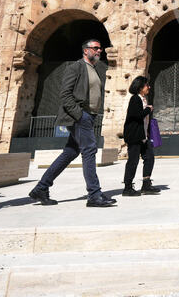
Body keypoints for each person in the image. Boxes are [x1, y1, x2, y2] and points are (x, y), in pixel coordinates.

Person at [28, 39, 116, 208]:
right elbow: (65, 94)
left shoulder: (94, 69)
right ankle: (94, 195)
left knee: (70, 152)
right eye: (96, 48)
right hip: (80, 116)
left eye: (100, 48)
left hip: (88, 116)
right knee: (89, 150)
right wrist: (79, 115)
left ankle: (41, 188)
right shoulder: (76, 67)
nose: (99, 51)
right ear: (86, 50)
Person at [121, 76, 160, 197]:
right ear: (140, 87)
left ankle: (146, 184)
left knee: (149, 157)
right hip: (134, 136)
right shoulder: (135, 99)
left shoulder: (143, 99)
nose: (149, 87)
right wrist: (148, 110)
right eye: (146, 85)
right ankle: (127, 187)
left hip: (143, 135)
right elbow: (137, 116)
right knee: (133, 161)